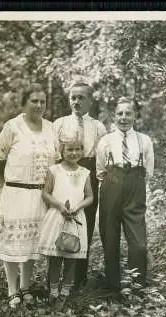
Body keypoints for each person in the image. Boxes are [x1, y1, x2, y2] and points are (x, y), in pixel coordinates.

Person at [0, 83, 59, 309]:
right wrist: (8, 185)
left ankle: (26, 286)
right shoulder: (12, 127)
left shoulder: (51, 129)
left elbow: (57, 162)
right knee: (12, 243)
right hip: (16, 193)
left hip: (40, 195)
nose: (39, 106)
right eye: (34, 101)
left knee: (31, 244)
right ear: (24, 103)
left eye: (42, 102)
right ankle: (12, 290)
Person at [96, 97, 154, 296]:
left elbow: (148, 170)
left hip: (135, 188)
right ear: (114, 116)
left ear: (135, 116)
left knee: (139, 245)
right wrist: (114, 182)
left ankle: (136, 285)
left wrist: (134, 185)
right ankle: (112, 285)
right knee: (110, 238)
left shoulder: (144, 140)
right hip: (111, 186)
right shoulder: (105, 141)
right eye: (120, 114)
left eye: (128, 113)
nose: (124, 118)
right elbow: (100, 170)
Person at [52, 81, 107, 291]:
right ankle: (56, 279)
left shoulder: (98, 127)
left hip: (89, 175)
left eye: (81, 97)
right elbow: (54, 155)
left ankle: (78, 280)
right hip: (64, 173)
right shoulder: (59, 124)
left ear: (90, 101)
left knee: (84, 223)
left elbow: (102, 159)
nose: (76, 102)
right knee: (61, 221)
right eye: (73, 97)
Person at [36, 135, 94, 310]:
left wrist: (79, 207)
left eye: (77, 149)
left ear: (82, 152)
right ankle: (53, 292)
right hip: (58, 217)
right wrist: (60, 206)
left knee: (71, 258)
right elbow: (45, 193)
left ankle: (65, 294)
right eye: (69, 149)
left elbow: (90, 196)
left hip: (75, 219)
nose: (74, 152)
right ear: (61, 151)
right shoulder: (54, 170)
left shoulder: (85, 173)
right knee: (55, 258)